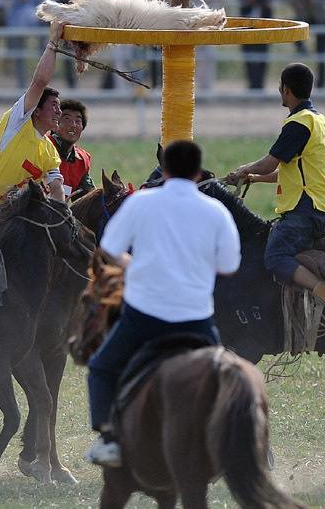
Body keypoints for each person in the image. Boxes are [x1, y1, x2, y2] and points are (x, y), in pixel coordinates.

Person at [85, 140, 241, 467]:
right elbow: (228, 266)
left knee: (100, 368)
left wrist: (135, 266)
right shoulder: (216, 211)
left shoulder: (141, 203)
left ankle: (110, 440)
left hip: (144, 317)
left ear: (164, 169)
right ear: (199, 172)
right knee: (229, 377)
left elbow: (110, 247)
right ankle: (231, 439)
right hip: (196, 320)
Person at [226, 63, 325, 308]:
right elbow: (290, 172)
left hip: (305, 210)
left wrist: (242, 171)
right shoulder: (319, 120)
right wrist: (255, 179)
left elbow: (269, 163)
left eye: (281, 88)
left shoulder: (298, 123)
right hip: (320, 206)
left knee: (276, 258)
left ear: (285, 90)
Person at [0, 21, 66, 229]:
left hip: (3, 217)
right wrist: (53, 42)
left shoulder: (50, 153)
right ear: (36, 111)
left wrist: (60, 219)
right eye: (54, 106)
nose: (59, 112)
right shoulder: (19, 122)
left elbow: (56, 188)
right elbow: (39, 82)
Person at [1, 0, 52, 89]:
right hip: (17, 22)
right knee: (19, 54)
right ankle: (21, 84)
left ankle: (40, 83)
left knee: (43, 53)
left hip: (37, 21)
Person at [237, 0, 276, 90]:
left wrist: (258, 0)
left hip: (264, 19)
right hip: (247, 18)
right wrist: (253, 0)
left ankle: (260, 85)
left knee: (263, 52)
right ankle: (251, 84)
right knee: (248, 52)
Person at [49, 99, 94, 199]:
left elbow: (88, 198)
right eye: (67, 119)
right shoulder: (41, 147)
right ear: (55, 124)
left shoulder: (83, 160)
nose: (73, 125)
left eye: (78, 121)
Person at [193, 0, 228, 91]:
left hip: (211, 29)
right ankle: (196, 88)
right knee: (196, 59)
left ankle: (207, 88)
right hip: (196, 30)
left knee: (209, 59)